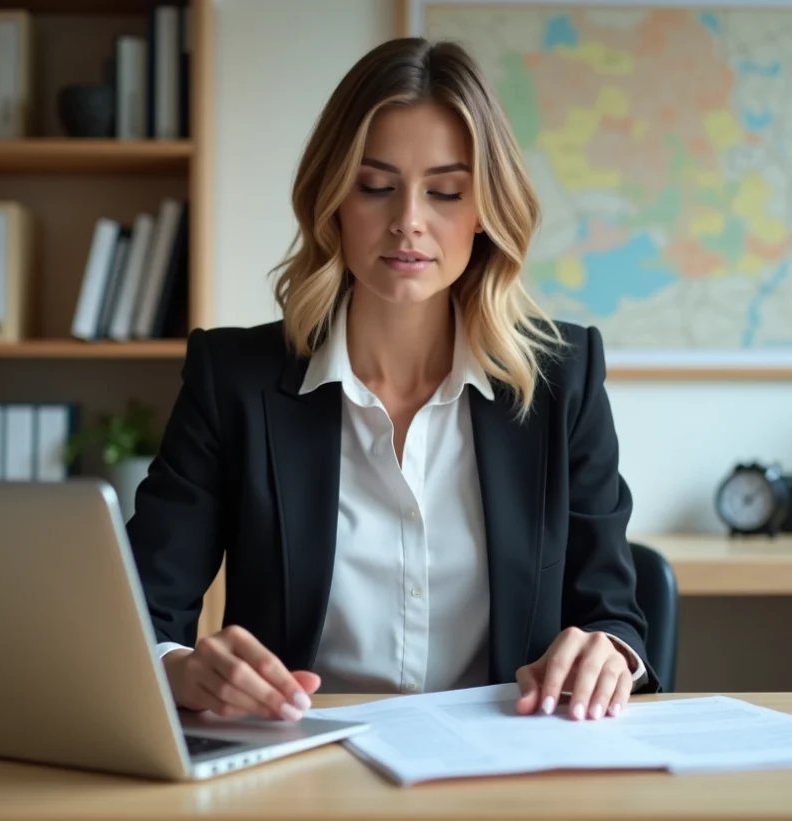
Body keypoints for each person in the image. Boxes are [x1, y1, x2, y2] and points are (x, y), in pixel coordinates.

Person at [126, 36, 657, 728]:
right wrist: (180, 668)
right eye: (375, 187)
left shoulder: (562, 378)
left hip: (506, 759)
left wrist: (609, 653)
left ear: (485, 211)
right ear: (332, 200)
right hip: (303, 757)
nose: (408, 220)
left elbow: (613, 612)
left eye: (445, 192)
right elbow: (143, 611)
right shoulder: (233, 379)